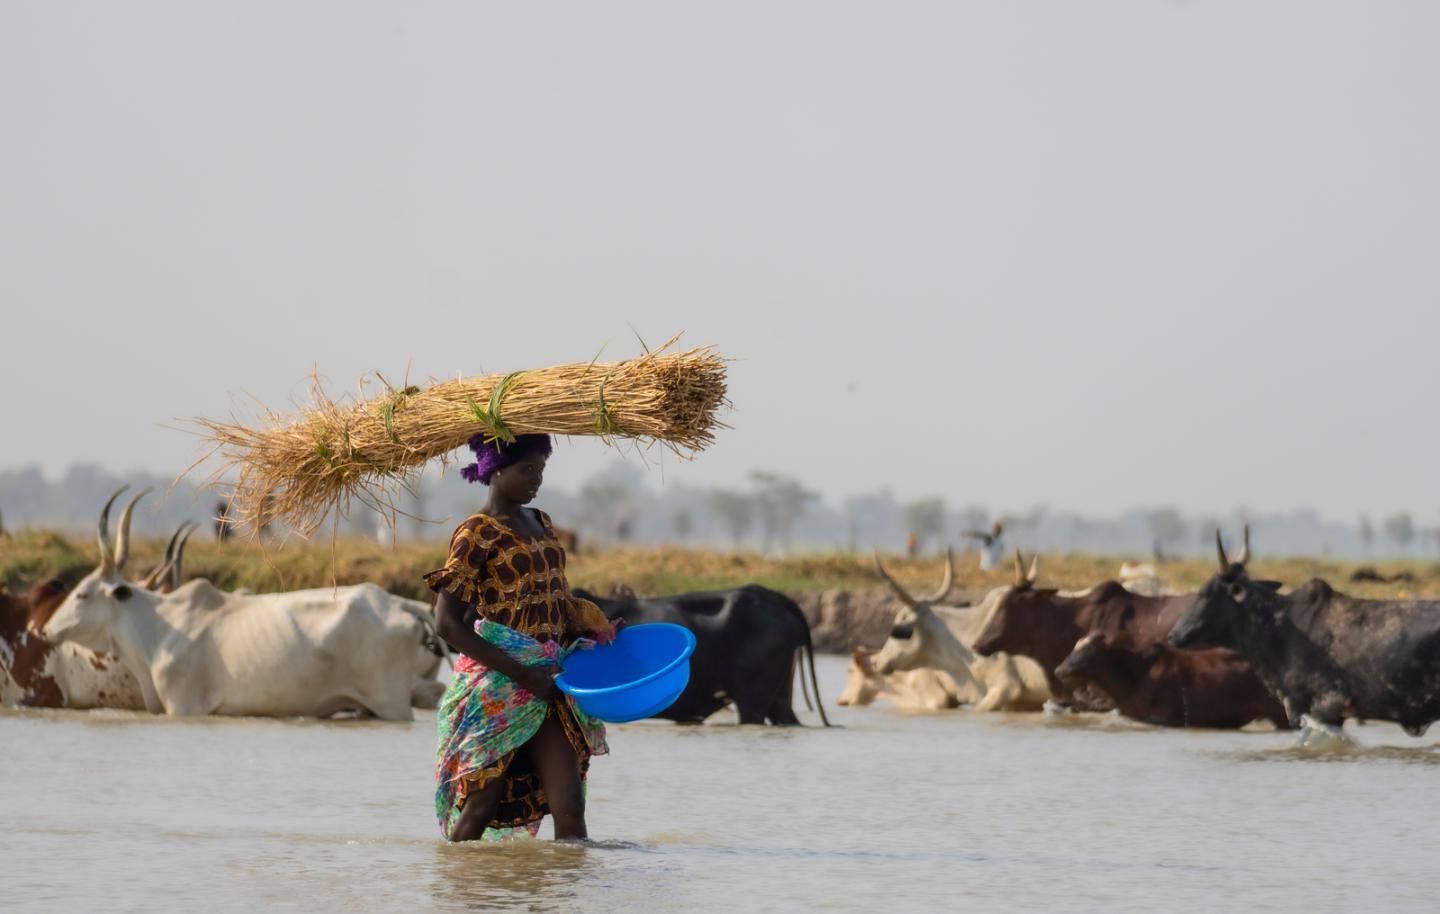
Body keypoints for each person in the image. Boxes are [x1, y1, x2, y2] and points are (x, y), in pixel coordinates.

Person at [426, 433, 617, 842]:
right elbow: (447, 622)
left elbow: (556, 601)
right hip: (499, 686)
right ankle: (463, 895)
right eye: (526, 470)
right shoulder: (476, 533)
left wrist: (594, 629)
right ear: (494, 470)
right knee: (481, 805)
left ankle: (568, 899)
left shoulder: (542, 522)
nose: (536, 479)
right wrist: (522, 675)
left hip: (550, 682)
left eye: (541, 470)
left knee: (569, 805)